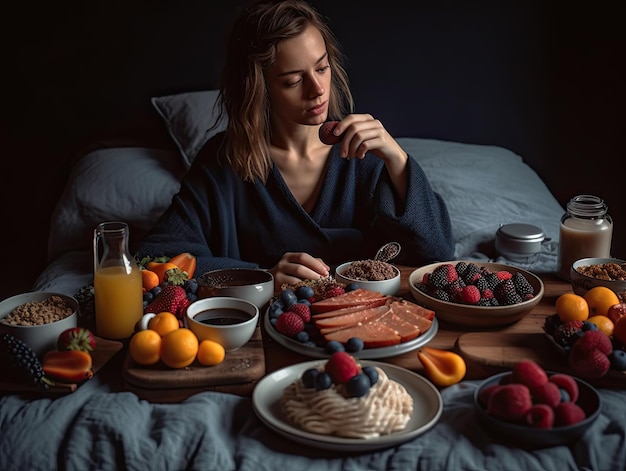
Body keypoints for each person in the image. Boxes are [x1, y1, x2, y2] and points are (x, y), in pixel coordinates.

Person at [137, 0, 454, 291]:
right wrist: (262, 277)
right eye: (292, 80)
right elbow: (155, 257)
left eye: (322, 67)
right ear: (258, 87)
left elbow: (438, 253)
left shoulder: (365, 157)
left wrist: (397, 159)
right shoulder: (223, 162)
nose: (317, 90)